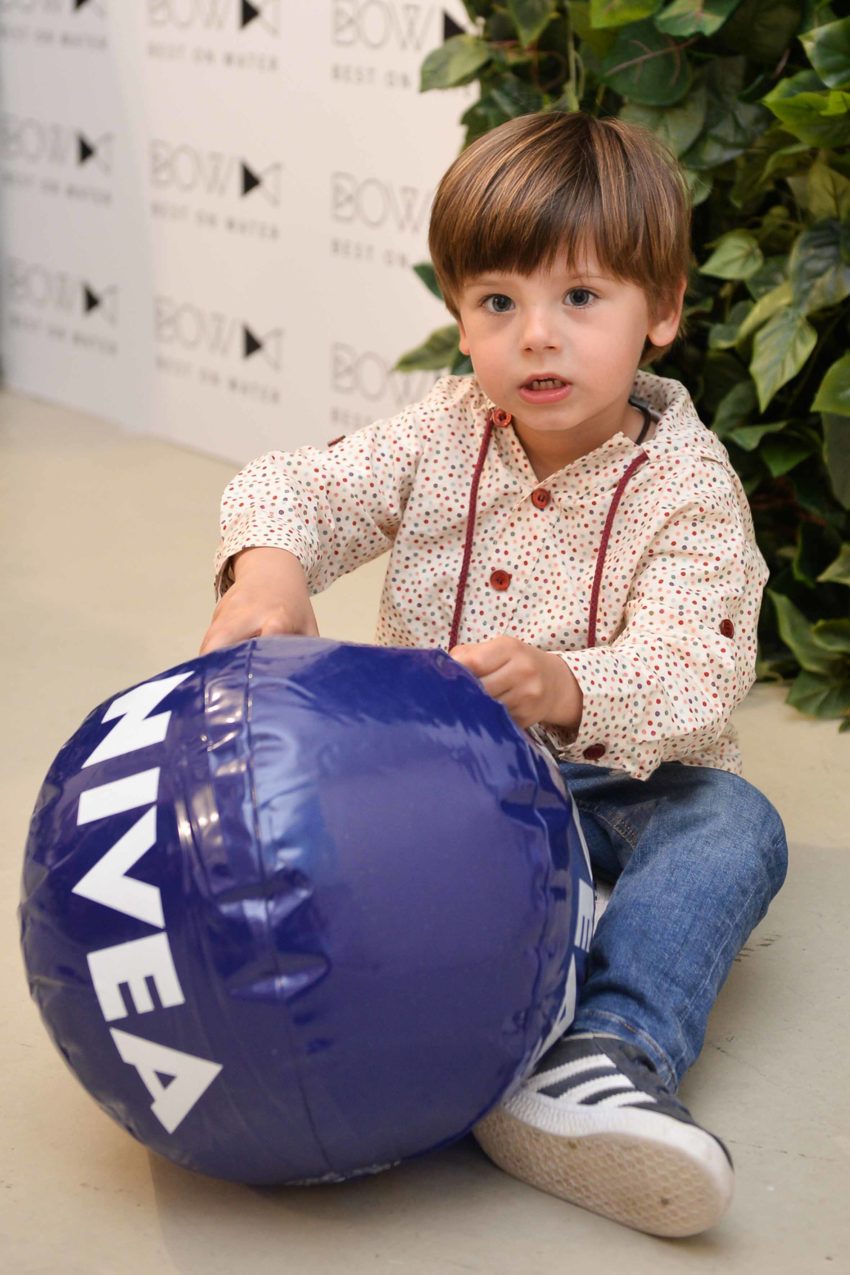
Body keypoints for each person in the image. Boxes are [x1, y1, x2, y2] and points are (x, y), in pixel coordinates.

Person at [201, 111, 788, 1238]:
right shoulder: (443, 430)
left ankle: (604, 1050)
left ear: (661, 311)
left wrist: (562, 685)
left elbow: (695, 670)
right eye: (498, 303)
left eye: (582, 297)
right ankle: (382, 987)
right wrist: (266, 572)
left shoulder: (690, 490)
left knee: (733, 826)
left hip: (610, 789)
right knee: (292, 783)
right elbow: (301, 487)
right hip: (429, 777)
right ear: (459, 314)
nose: (537, 338)